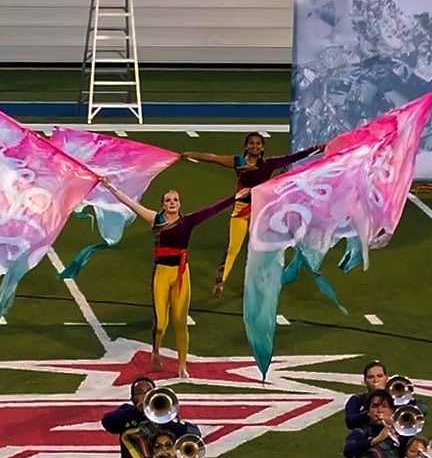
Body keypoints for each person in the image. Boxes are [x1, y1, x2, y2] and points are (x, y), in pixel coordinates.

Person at [100, 179, 247, 378]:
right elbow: (130, 204)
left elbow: (212, 209)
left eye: (175, 200)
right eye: (168, 200)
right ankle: (156, 351)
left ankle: (182, 366)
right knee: (161, 324)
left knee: (180, 322)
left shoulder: (188, 222)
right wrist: (111, 188)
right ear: (163, 204)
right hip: (162, 273)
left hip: (181, 275)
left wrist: (235, 197)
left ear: (179, 204)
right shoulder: (155, 220)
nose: (172, 202)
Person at [181, 134, 323, 296]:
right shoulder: (238, 162)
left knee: (263, 248)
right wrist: (192, 154)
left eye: (258, 144)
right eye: (251, 143)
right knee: (233, 248)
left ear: (262, 147)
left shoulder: (268, 164)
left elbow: (293, 157)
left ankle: (263, 281)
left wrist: (316, 149)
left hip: (261, 212)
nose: (254, 146)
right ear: (246, 146)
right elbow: (213, 158)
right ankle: (220, 283)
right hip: (240, 211)